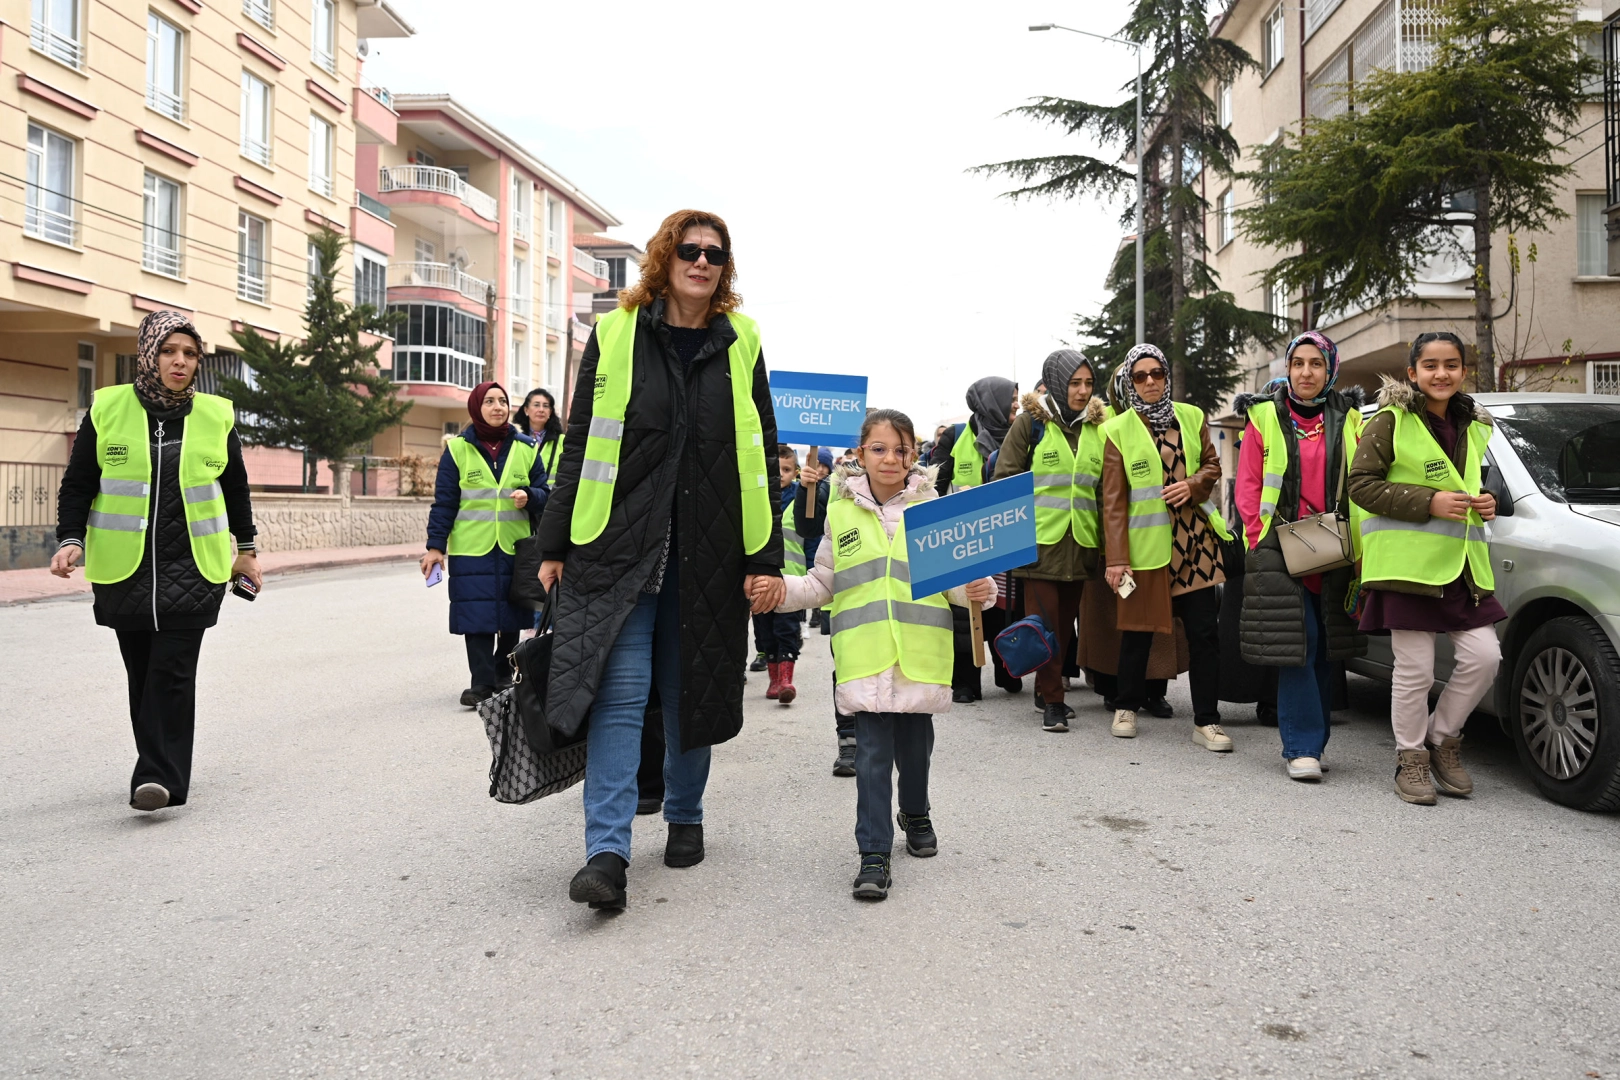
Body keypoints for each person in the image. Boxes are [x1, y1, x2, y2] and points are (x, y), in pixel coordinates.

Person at [535, 209, 784, 910]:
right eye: (689, 249)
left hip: (711, 552)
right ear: (665, 257)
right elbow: (581, 441)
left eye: (715, 253)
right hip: (618, 549)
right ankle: (606, 853)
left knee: (690, 692)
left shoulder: (741, 341)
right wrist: (553, 543)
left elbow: (760, 451)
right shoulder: (615, 332)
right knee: (618, 698)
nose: (702, 261)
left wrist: (764, 557)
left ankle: (685, 813)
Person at [778, 408, 996, 900]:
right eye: (879, 449)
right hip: (865, 656)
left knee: (916, 752)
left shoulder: (932, 510)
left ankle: (915, 813)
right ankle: (873, 852)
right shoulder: (840, 513)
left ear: (914, 455)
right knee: (872, 757)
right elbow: (823, 582)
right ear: (861, 454)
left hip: (919, 656)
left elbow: (956, 584)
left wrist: (977, 590)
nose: (890, 459)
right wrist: (779, 591)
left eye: (901, 450)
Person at [51, 310, 260, 813]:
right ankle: (160, 767)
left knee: (172, 672)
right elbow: (79, 483)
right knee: (142, 674)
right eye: (169, 351)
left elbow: (235, 489)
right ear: (149, 355)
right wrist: (70, 539)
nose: (179, 361)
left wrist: (247, 551)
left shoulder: (216, 416)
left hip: (196, 567)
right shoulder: (108, 409)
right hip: (124, 570)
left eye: (189, 353)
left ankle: (156, 777)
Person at [1348, 332, 1503, 805]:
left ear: (1463, 371)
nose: (1441, 374)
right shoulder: (1390, 420)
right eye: (1430, 365)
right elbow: (1360, 485)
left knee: (1485, 658)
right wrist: (1429, 501)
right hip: (1407, 568)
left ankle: (1441, 739)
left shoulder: (1475, 424)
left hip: (1461, 568)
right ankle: (1410, 758)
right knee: (1414, 671)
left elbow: (1470, 482)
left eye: (1451, 364)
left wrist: (1488, 501)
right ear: (1412, 373)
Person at [1234, 331, 1366, 782]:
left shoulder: (1349, 417)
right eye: (1298, 363)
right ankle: (1301, 747)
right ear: (1287, 369)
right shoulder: (1264, 416)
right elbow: (1249, 486)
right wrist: (1259, 538)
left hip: (1335, 544)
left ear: (1330, 370)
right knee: (1300, 642)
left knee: (1327, 645)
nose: (1306, 372)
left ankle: (1315, 743)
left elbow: (1362, 481)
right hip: (1279, 545)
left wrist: (1360, 546)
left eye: (1316, 364)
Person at [1101, 344, 1233, 749]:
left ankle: (1207, 721)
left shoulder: (1191, 416)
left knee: (1204, 635)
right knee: (1137, 634)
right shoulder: (1117, 429)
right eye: (1140, 376)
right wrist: (1117, 559)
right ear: (1130, 383)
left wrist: (1193, 485)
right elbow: (1113, 502)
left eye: (1156, 373)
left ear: (1166, 376)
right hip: (1146, 550)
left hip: (1195, 545)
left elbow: (1212, 465)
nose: (1150, 382)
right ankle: (1126, 706)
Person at [993, 349, 1110, 732]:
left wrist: (1108, 545)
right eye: (1074, 383)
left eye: (1088, 383)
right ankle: (1054, 703)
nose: (1082, 391)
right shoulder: (1030, 424)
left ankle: (1045, 688)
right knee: (1043, 625)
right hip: (1039, 545)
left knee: (1062, 626)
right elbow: (1005, 479)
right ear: (1058, 383)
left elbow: (1102, 491)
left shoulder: (1097, 428)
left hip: (1081, 544)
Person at [421, 383, 544, 706]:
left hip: (514, 548)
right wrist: (435, 547)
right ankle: (481, 683)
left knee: (512, 615)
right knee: (476, 617)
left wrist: (530, 496)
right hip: (471, 549)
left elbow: (546, 493)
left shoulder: (526, 447)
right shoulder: (457, 450)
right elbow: (445, 502)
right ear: (477, 407)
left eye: (502, 401)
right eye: (489, 401)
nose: (497, 406)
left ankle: (504, 674)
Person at [933, 376, 1018, 702]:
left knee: (1004, 605)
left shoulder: (1021, 434)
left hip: (1004, 533)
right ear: (991, 402)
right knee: (964, 611)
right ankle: (965, 682)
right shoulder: (955, 437)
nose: (1015, 404)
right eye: (1010, 398)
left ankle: (1007, 669)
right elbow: (934, 486)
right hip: (963, 538)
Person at [752, 444, 805, 703]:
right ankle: (773, 680)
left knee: (786, 629)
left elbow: (811, 540)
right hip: (760, 580)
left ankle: (785, 680)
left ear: (795, 472)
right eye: (775, 469)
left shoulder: (801, 500)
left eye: (786, 470)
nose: (780, 474)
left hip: (791, 580)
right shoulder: (756, 499)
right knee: (765, 631)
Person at [514, 387, 564, 482]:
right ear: (526, 410)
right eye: (536, 405)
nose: (541, 410)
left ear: (550, 412)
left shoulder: (562, 441)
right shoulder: (516, 440)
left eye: (545, 406)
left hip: (553, 491)